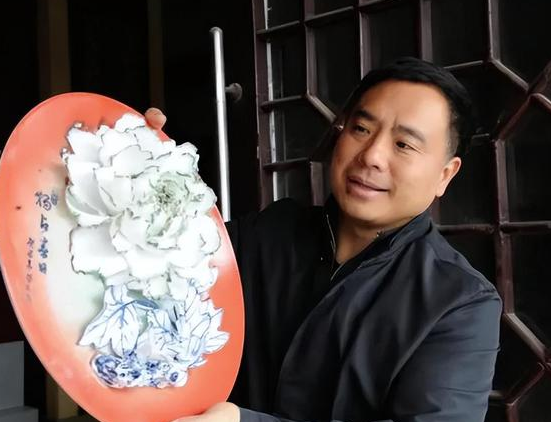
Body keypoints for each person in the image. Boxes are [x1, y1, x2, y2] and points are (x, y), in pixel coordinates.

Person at [145, 57, 502, 422]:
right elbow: (152, 270)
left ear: (445, 174)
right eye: (361, 129)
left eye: (403, 144)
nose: (372, 156)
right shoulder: (270, 232)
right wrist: (140, 173)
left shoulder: (459, 302)